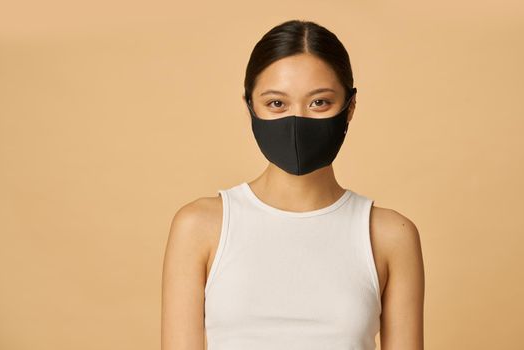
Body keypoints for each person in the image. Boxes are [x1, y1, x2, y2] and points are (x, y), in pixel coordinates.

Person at [162, 19, 425, 350]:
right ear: (250, 108)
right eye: (276, 103)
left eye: (319, 102)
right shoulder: (200, 226)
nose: (297, 119)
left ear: (350, 107)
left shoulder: (390, 234)